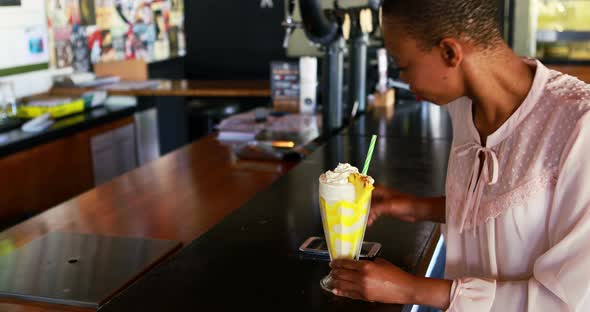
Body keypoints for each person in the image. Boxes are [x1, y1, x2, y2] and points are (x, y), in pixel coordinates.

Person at [329, 0, 590, 311]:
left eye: (404, 66)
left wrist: (411, 290)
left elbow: (569, 300)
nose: (406, 82)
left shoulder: (578, 126)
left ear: (450, 53)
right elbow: (502, 213)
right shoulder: (464, 105)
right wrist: (411, 206)